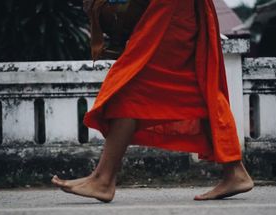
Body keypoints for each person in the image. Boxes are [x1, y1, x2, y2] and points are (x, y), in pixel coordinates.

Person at [51, 0, 254, 202]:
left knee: (133, 84)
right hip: (173, 8)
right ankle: (234, 170)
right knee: (196, 84)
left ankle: (102, 179)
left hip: (172, 8)